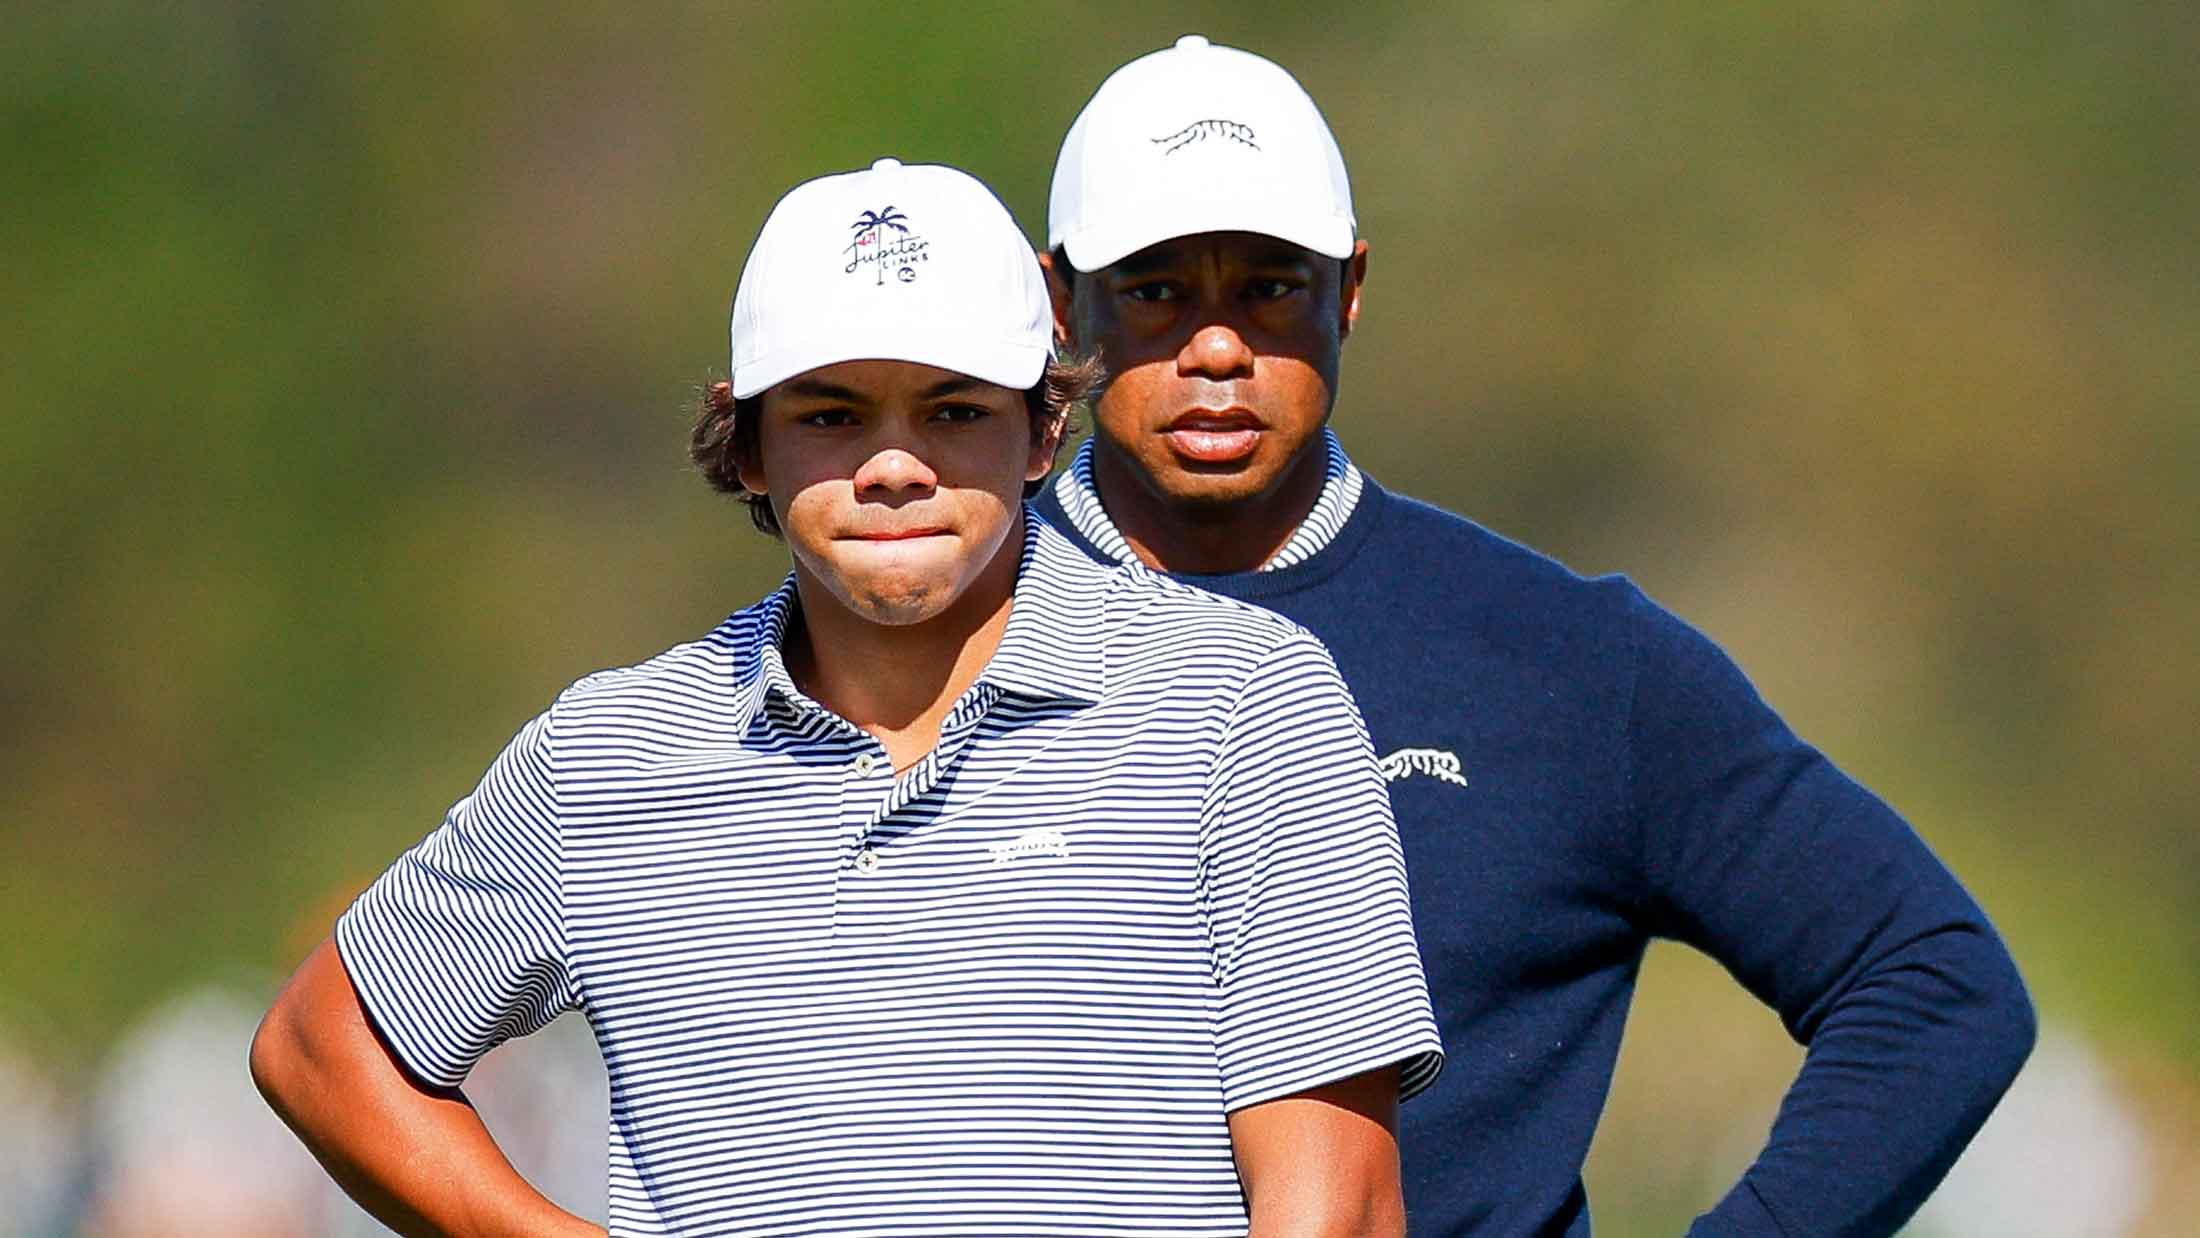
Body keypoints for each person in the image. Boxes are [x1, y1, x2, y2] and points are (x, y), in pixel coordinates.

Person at [250, 157, 1442, 1237]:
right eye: (830, 414)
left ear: (1042, 430)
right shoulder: (612, 753)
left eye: (954, 409)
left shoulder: (1237, 699)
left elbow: (1336, 1206)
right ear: (749, 446)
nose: (892, 462)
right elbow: (322, 1046)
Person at [1032, 35, 2035, 1237]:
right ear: (1058, 303)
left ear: (1349, 290)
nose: (1214, 346)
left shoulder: (1565, 662)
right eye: (1153, 291)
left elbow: (1935, 983)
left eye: (1268, 286)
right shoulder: (937, 639)